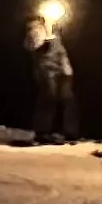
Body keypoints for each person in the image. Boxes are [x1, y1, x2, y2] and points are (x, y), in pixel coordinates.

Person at [26, 13, 76, 143]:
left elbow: (61, 52)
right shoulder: (35, 30)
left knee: (67, 100)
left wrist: (67, 69)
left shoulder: (55, 32)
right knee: (48, 98)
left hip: (63, 72)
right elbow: (32, 46)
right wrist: (44, 40)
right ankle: (42, 132)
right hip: (47, 71)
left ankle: (67, 132)